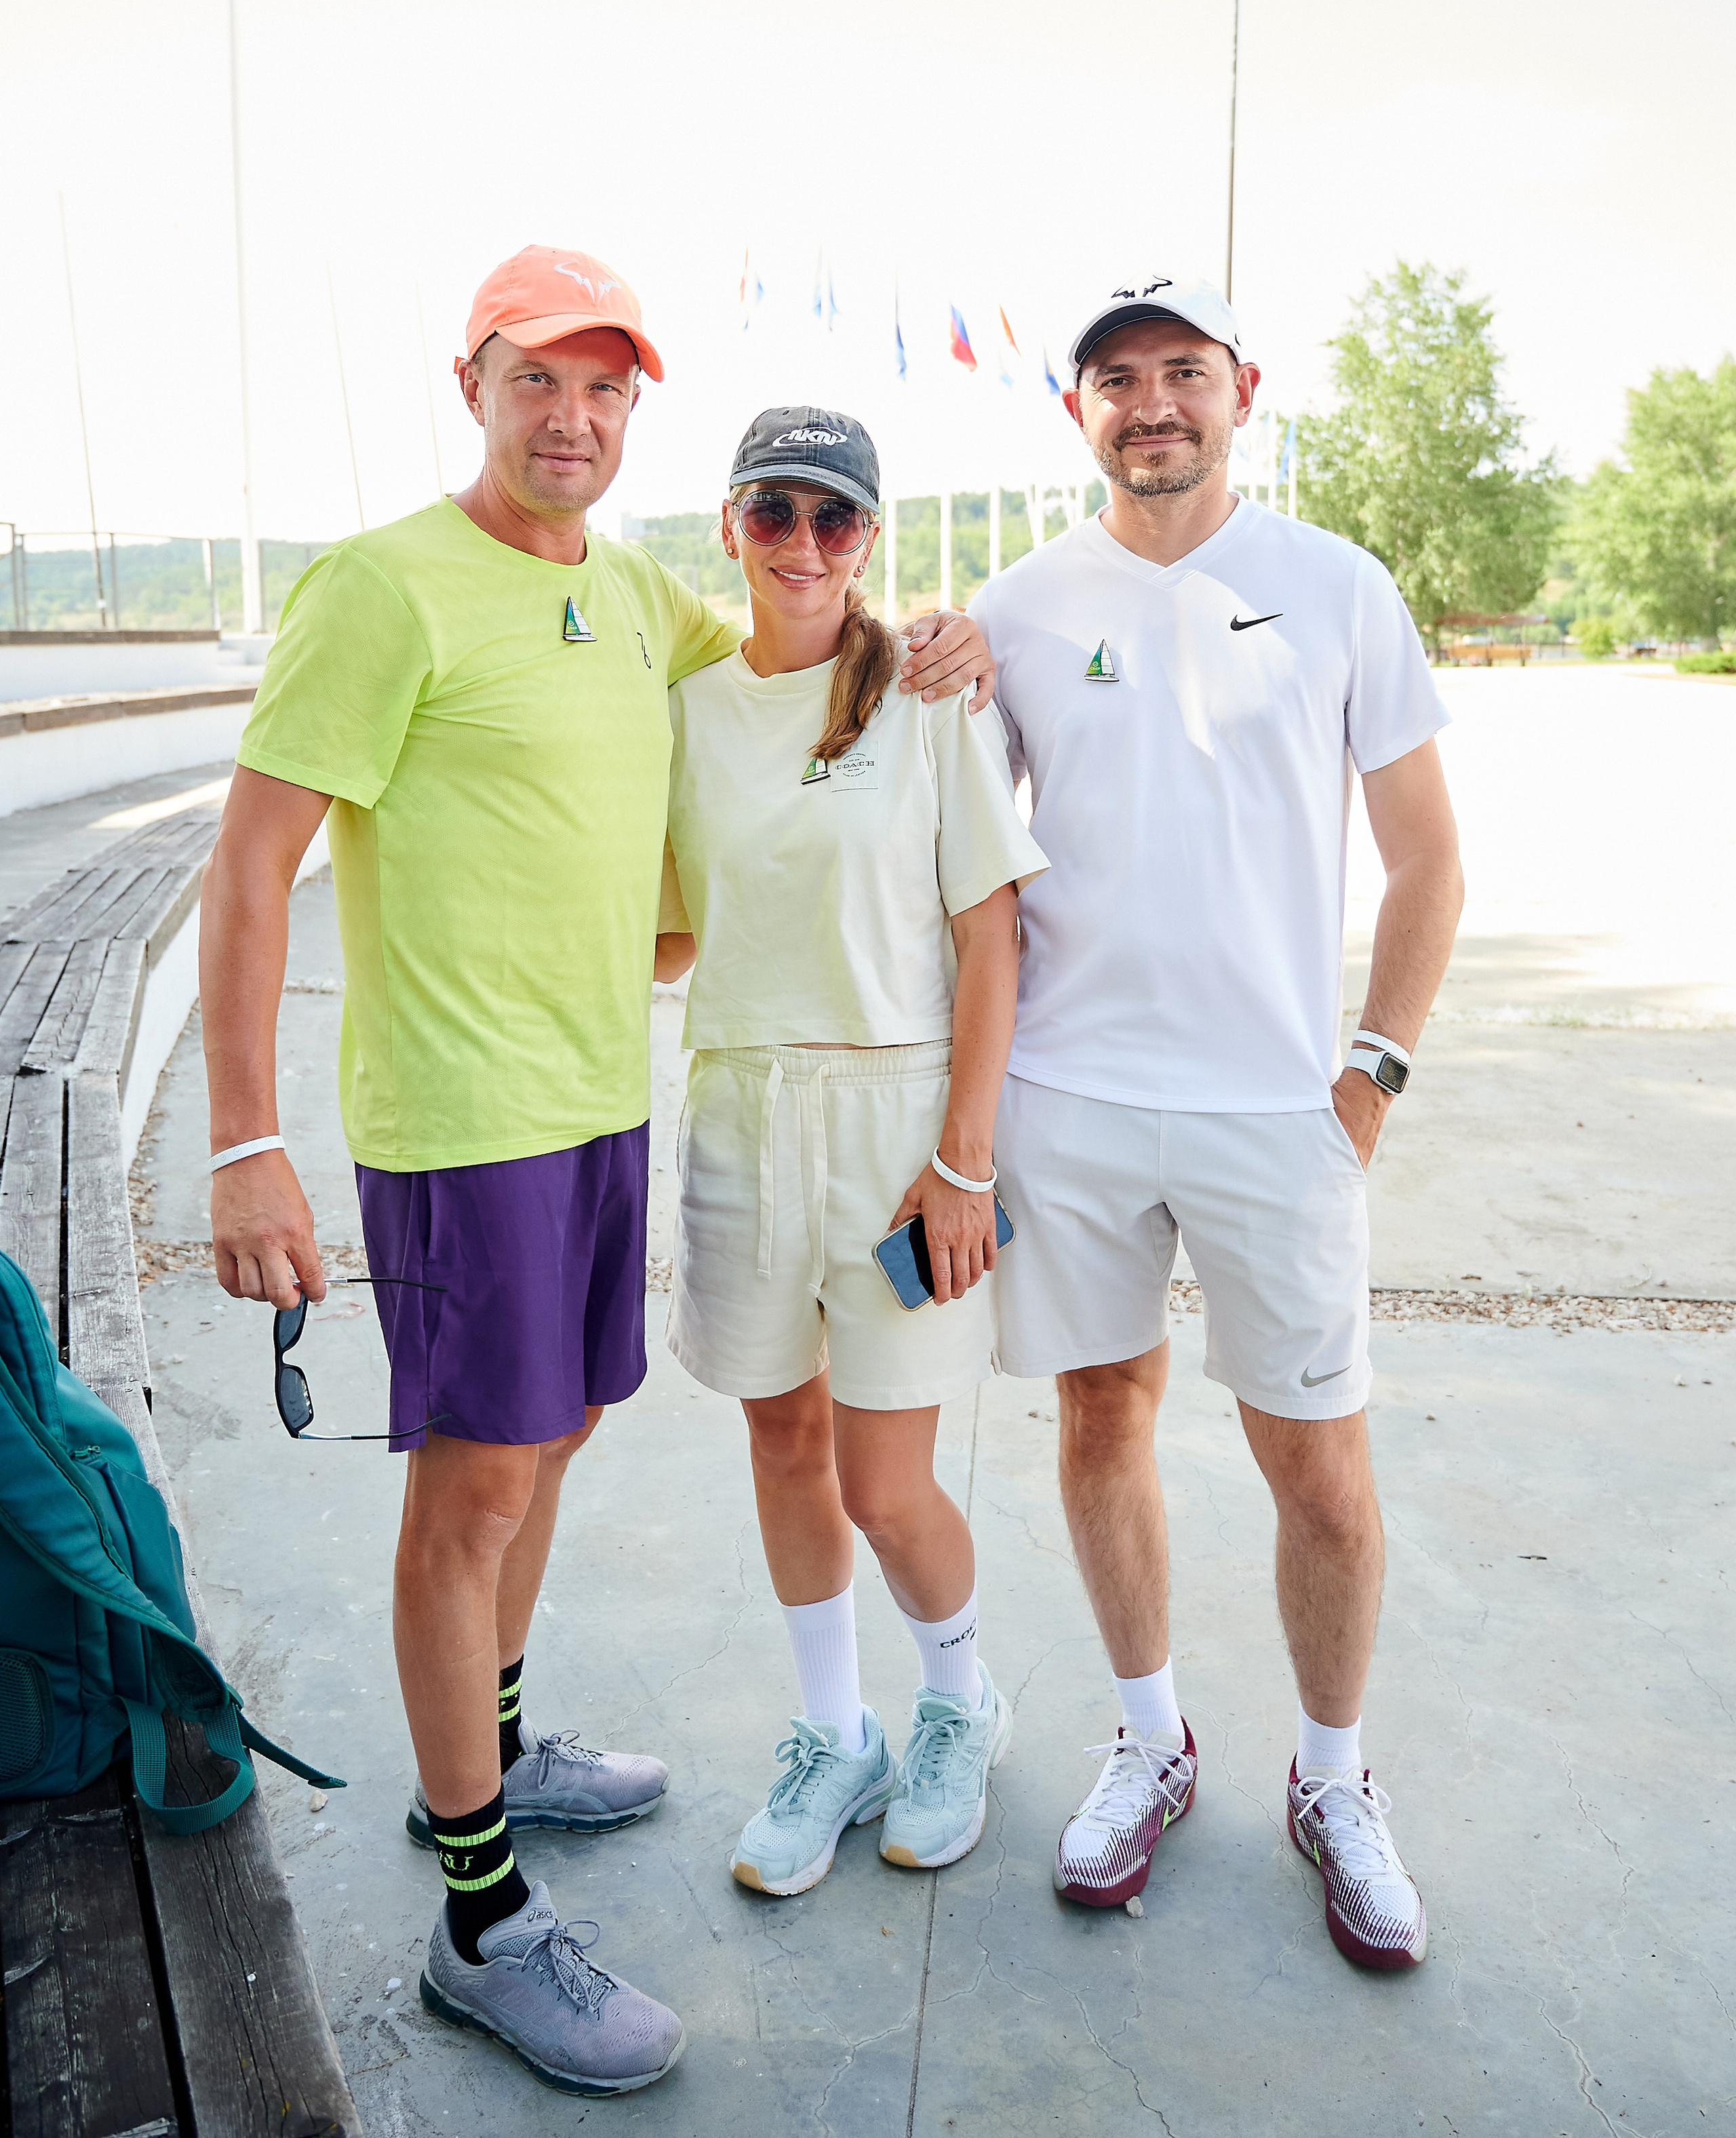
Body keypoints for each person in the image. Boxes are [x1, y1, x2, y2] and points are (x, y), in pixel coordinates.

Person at [198, 248, 996, 2097]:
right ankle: (481, 1918)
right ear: (471, 385)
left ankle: (488, 1754)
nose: (571, 417)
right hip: (459, 1123)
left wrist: (960, 633)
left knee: (550, 1444)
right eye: (536, 380)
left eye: (605, 388)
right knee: (473, 1490)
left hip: (602, 1107)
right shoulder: (381, 586)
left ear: (636, 412)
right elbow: (250, 863)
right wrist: (247, 1144)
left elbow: (808, 650)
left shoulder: (640, 601)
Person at [970, 275, 1463, 1968]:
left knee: (1317, 1467)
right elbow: (960, 870)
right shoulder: (1018, 605)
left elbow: (1427, 858)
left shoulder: (1334, 585)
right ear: (1078, 411)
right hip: (1070, 1100)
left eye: (1182, 370)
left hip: (1275, 1114)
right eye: (1116, 378)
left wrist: (1368, 1076)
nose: (1151, 401)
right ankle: (1148, 1739)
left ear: (1241, 391)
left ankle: (1330, 1778)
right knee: (1100, 1418)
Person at [653, 406, 1046, 1898]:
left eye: (835, 517)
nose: (803, 544)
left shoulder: (925, 694)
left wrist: (964, 1161)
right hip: (743, 1107)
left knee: (885, 1481)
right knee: (782, 1439)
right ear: (731, 526)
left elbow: (990, 934)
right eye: (774, 512)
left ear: (868, 536)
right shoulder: (687, 710)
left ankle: (958, 1700)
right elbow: (668, 930)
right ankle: (834, 1732)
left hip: (897, 1122)